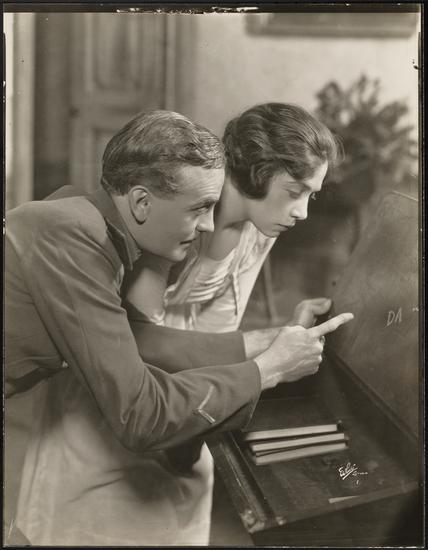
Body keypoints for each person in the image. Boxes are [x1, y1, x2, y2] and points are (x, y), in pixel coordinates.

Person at [5, 109, 352, 546]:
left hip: (158, 394)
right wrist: (267, 368)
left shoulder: (106, 222)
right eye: (295, 191)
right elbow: (139, 395)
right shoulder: (97, 234)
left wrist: (272, 342)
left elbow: (140, 334)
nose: (209, 222)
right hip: (121, 401)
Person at [124, 103, 343, 542]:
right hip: (129, 397)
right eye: (295, 191)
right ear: (257, 171)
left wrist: (285, 335)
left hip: (191, 395)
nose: (303, 212)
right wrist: (270, 347)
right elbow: (137, 340)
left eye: (311, 195)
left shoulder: (262, 224)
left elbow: (216, 331)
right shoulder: (183, 213)